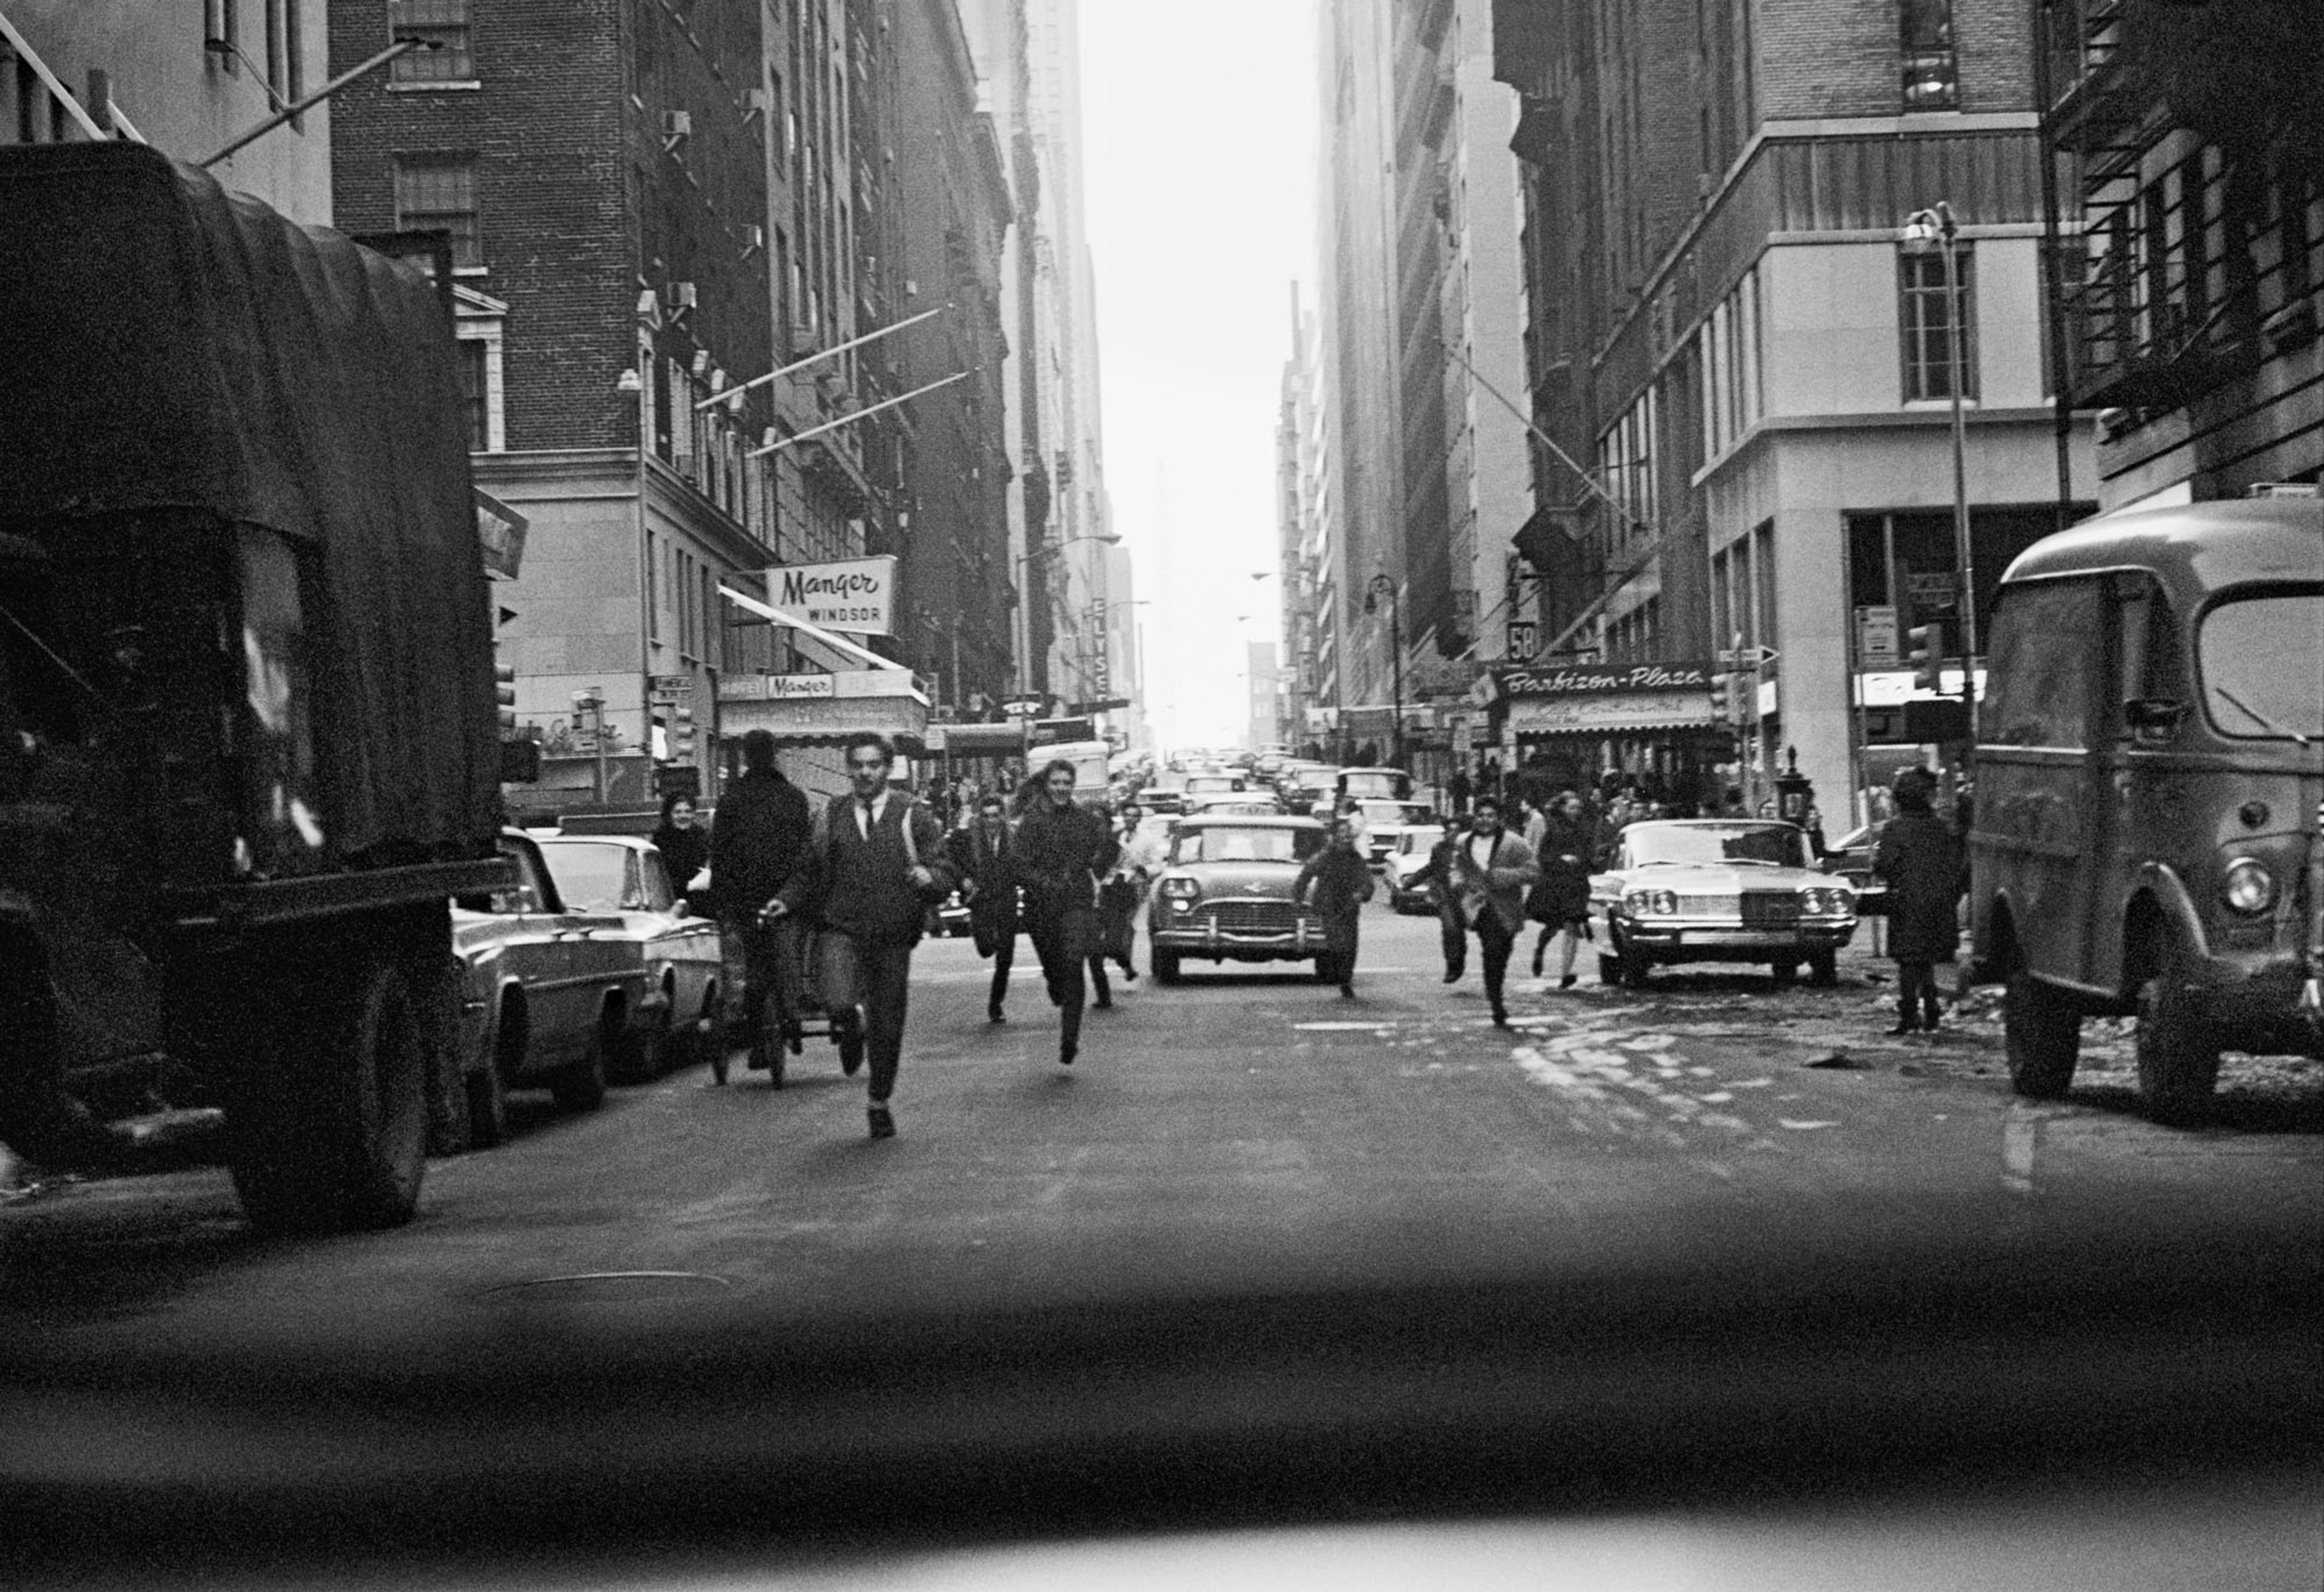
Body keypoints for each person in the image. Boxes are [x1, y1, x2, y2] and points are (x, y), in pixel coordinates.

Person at [770, 733, 955, 1138]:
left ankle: (879, 1101)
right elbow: (808, 870)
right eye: (858, 765)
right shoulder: (830, 816)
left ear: (888, 768)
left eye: (873, 765)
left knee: (888, 1026)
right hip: (841, 928)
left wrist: (930, 878)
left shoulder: (913, 817)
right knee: (835, 995)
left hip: (892, 935)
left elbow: (944, 872)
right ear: (848, 768)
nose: (865, 772)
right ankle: (848, 1021)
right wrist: (785, 900)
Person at [708, 730, 814, 1070]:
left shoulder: (730, 801)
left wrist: (723, 900)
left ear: (745, 758)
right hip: (786, 896)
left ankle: (758, 1041)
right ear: (774, 756)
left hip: (745, 900)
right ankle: (792, 1018)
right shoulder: (793, 798)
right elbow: (805, 853)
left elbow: (720, 855)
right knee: (788, 957)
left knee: (754, 968)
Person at [1014, 758, 1121, 1067]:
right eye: (1056, 783)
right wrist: (1044, 883)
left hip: (1076, 903)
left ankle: (1069, 1039)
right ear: (1046, 786)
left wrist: (1110, 846)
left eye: (1066, 783)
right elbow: (1020, 865)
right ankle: (1053, 981)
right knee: (1056, 969)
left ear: (1073, 786)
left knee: (1074, 967)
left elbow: (1098, 866)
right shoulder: (1032, 821)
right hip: (1042, 907)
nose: (1061, 789)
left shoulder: (1084, 819)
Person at [1873, 766, 1963, 1036]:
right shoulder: (1940, 829)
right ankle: (1932, 1012)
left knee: (1909, 963)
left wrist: (1878, 866)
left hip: (1907, 904)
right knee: (1926, 961)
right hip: (1939, 905)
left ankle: (1910, 1014)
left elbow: (1886, 865)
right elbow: (1955, 865)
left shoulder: (1895, 828)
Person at [1448, 794, 1541, 1026]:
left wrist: (1507, 876)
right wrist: (1458, 881)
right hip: (1479, 907)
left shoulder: (1514, 842)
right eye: (1481, 816)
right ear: (1474, 818)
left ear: (1499, 818)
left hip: (1506, 908)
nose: (1485, 820)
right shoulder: (1463, 841)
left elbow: (1533, 871)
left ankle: (1495, 990)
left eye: (1490, 816)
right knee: (1491, 948)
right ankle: (1496, 1000)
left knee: (1500, 952)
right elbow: (1457, 867)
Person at [948, 793, 1021, 1024]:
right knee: (986, 949)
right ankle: (985, 938)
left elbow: (1026, 863)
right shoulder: (966, 838)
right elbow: (948, 860)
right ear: (981, 817)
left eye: (995, 816)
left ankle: (995, 1004)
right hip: (981, 901)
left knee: (1005, 958)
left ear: (1002, 816)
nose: (991, 821)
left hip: (1006, 900)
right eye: (987, 816)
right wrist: (963, 880)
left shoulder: (1014, 837)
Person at [1295, 815, 1376, 997]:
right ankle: (1338, 973)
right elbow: (1305, 876)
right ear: (1334, 837)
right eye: (1341, 832)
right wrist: (1298, 900)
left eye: (1347, 832)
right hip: (1328, 907)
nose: (1345, 836)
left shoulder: (1356, 859)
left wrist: (1362, 893)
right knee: (1336, 944)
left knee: (1350, 946)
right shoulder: (1324, 857)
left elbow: (1367, 882)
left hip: (1349, 908)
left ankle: (1345, 979)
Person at [1526, 790, 1595, 987]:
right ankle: (1540, 950)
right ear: (1563, 808)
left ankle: (1566, 973)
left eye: (1578, 808)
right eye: (1571, 808)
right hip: (1556, 884)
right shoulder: (1553, 828)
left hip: (1576, 884)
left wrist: (1583, 861)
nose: (1575, 812)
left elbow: (1589, 854)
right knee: (1553, 926)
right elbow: (1543, 857)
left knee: (1572, 926)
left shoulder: (1584, 829)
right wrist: (1561, 859)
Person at [1100, 800, 1164, 982]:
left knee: (1128, 925)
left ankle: (1126, 963)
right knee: (1112, 926)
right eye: (1127, 815)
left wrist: (1142, 869)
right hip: (1112, 888)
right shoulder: (1114, 836)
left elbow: (1157, 865)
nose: (1130, 818)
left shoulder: (1148, 839)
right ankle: (1120, 958)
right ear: (1122, 816)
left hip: (1135, 888)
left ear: (1139, 818)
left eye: (1134, 815)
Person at [651, 791, 709, 904]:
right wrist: (688, 886)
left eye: (688, 811)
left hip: (701, 898)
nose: (683, 816)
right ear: (669, 815)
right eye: (678, 812)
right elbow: (659, 876)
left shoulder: (701, 835)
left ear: (694, 814)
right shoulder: (661, 838)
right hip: (670, 899)